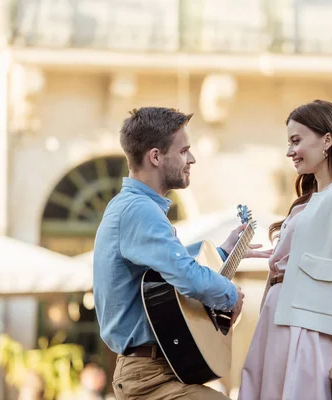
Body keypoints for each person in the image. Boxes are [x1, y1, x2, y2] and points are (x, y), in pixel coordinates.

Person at [93, 107, 271, 400]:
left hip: (158, 369)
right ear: (155, 157)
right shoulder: (139, 210)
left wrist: (224, 253)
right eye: (184, 150)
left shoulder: (135, 208)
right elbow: (188, 277)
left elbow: (170, 275)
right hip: (150, 377)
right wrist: (230, 293)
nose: (192, 159)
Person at [238, 100, 332, 399]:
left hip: (308, 329)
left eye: (296, 141)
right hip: (273, 321)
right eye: (289, 142)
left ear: (327, 139)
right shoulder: (306, 201)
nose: (290, 151)